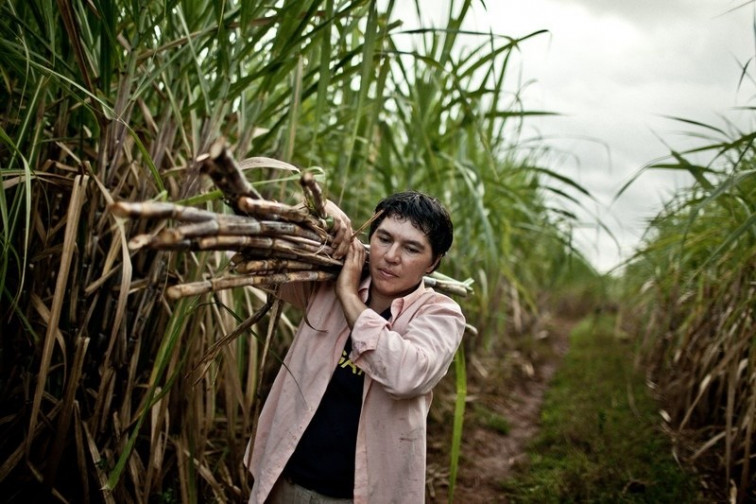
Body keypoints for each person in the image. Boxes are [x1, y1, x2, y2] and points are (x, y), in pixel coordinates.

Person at [244, 191, 466, 503]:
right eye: (384, 239)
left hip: (360, 495)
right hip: (284, 479)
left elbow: (406, 375)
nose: (391, 256)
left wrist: (348, 295)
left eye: (412, 248)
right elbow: (254, 255)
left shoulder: (440, 314)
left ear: (434, 263)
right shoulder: (324, 281)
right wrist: (318, 210)